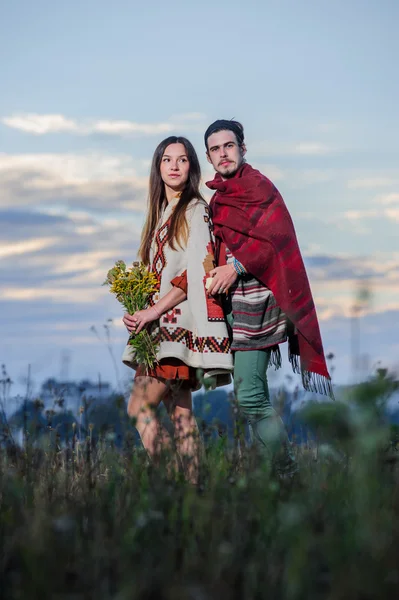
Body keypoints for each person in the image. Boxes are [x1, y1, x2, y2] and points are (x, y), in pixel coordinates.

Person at [204, 119, 333, 477]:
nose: (223, 153)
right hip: (231, 303)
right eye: (215, 149)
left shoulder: (259, 187)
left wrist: (236, 266)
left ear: (243, 149)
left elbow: (276, 240)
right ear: (209, 157)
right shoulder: (217, 199)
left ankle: (286, 470)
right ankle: (274, 477)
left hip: (260, 300)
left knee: (249, 396)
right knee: (250, 392)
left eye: (229, 146)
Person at [122, 136, 233, 483]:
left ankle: (172, 484)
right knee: (182, 416)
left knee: (139, 409)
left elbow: (196, 271)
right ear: (158, 167)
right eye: (167, 159)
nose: (174, 166)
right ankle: (196, 492)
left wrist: (153, 312)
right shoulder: (161, 215)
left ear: (191, 167)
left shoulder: (195, 210)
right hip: (164, 329)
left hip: (176, 327)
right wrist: (138, 306)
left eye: (182, 160)